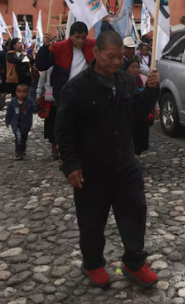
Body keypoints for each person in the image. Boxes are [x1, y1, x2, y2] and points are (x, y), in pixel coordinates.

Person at [55, 31, 160, 288]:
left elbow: (137, 114)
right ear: (96, 53)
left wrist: (151, 91)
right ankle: (93, 263)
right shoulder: (76, 88)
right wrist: (71, 165)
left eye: (119, 57)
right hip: (91, 169)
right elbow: (63, 130)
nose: (116, 62)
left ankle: (134, 263)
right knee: (91, 222)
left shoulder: (126, 81)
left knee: (135, 215)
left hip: (126, 164)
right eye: (110, 57)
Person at [124, 57, 159, 156]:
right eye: (133, 67)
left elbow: (148, 96)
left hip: (141, 115)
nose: (135, 69)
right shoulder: (122, 81)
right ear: (127, 69)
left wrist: (156, 108)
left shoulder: (143, 79)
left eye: (137, 67)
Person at [6, 83, 37, 160]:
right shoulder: (13, 102)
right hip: (15, 123)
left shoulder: (30, 101)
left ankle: (22, 149)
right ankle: (18, 152)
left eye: (24, 92)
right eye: (19, 92)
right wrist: (7, 121)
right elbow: (9, 112)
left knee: (24, 136)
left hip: (26, 123)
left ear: (27, 93)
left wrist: (38, 105)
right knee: (18, 137)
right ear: (16, 92)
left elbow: (34, 109)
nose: (21, 94)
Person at [36, 67, 59, 159]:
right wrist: (38, 95)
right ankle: (54, 147)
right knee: (51, 123)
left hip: (65, 96)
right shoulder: (48, 66)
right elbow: (41, 81)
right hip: (50, 98)